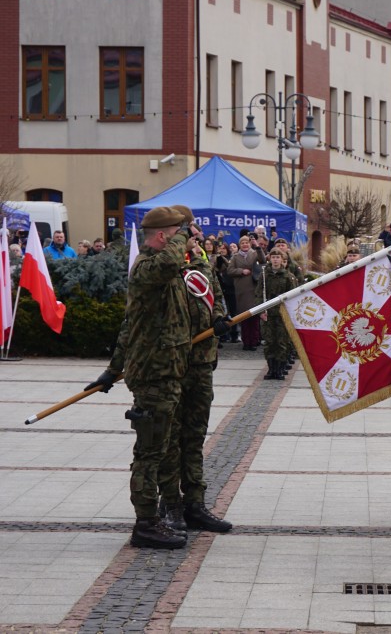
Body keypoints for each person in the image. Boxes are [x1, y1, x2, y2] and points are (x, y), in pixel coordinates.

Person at [85, 206, 193, 549]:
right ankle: (145, 523)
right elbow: (170, 261)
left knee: (161, 449)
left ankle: (158, 515)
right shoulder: (149, 268)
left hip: (168, 372)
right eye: (178, 234)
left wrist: (113, 368)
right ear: (162, 236)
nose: (184, 241)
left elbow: (131, 326)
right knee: (149, 452)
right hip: (153, 376)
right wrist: (185, 235)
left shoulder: (164, 273)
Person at [157, 217, 234, 535]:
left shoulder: (203, 264)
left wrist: (219, 319)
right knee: (171, 439)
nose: (194, 238)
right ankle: (170, 504)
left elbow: (216, 297)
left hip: (201, 364)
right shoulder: (163, 266)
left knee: (194, 436)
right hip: (172, 364)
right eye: (186, 232)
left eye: (195, 232)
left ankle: (195, 503)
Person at [261, 248, 298, 380]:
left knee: (282, 342)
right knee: (269, 342)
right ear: (269, 259)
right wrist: (261, 311)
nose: (275, 260)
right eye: (273, 257)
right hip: (268, 313)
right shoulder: (264, 275)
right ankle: (271, 369)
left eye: (278, 257)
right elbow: (259, 293)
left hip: (282, 313)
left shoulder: (288, 276)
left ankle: (280, 369)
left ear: (283, 260)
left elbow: (293, 296)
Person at [227, 234, 265, 350]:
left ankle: (253, 342)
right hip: (241, 290)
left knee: (254, 318)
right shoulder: (235, 257)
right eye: (242, 243)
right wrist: (241, 271)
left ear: (249, 244)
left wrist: (257, 247)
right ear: (239, 245)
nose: (245, 244)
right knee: (244, 319)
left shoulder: (254, 254)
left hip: (253, 289)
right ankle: (246, 342)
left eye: (247, 242)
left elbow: (262, 260)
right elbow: (230, 270)